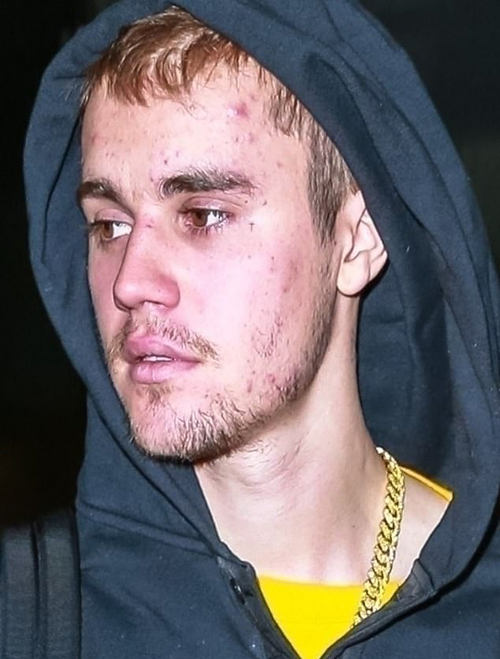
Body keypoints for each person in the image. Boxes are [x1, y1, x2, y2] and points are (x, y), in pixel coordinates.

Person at [22, 1, 500, 657]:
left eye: (204, 215)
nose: (129, 281)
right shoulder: (33, 621)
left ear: (357, 241)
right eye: (110, 224)